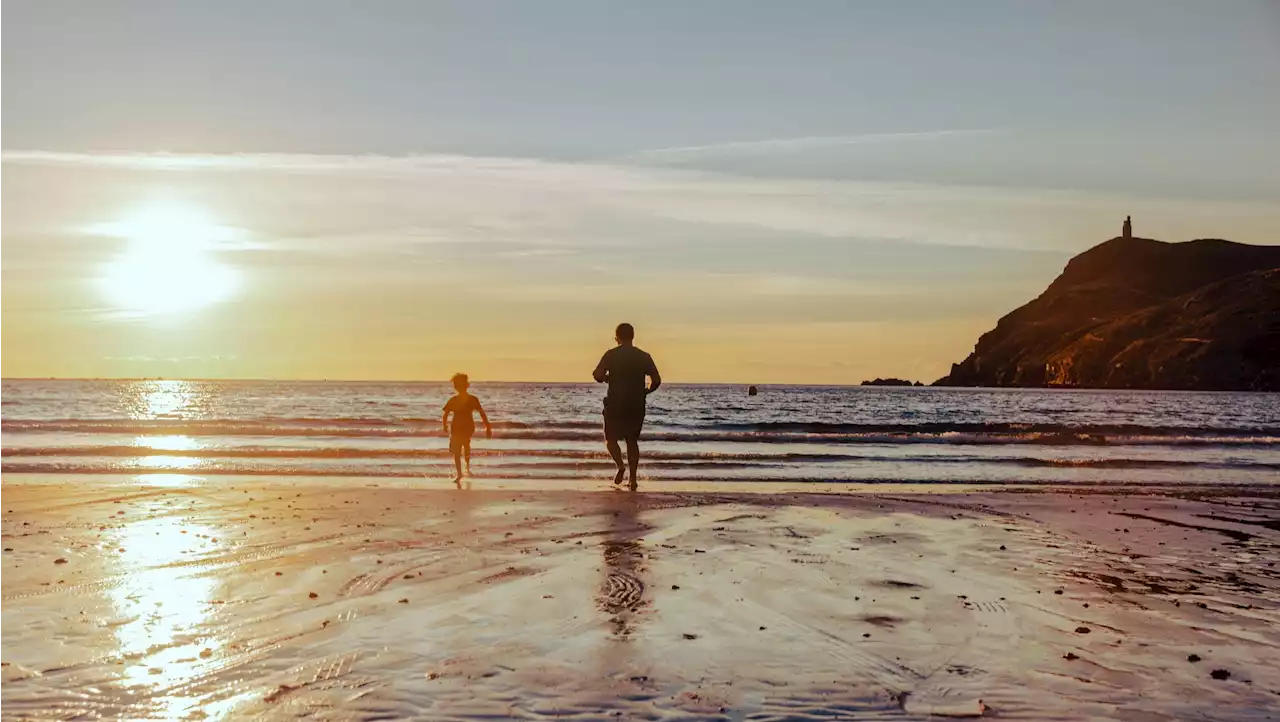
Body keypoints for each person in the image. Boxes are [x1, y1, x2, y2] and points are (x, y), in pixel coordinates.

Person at [593, 323, 661, 490]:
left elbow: (598, 374)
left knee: (610, 438)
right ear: (633, 336)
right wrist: (646, 391)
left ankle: (620, 466)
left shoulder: (611, 355)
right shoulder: (644, 356)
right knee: (632, 441)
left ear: (617, 338)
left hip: (615, 403)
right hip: (636, 403)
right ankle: (633, 479)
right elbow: (657, 380)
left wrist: (607, 378)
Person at [441, 373, 492, 484]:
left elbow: (482, 413)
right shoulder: (453, 400)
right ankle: (460, 473)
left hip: (467, 427)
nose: (456, 387)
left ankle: (466, 468)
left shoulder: (472, 399)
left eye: (458, 384)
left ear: (466, 385)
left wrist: (488, 426)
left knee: (464, 447)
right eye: (456, 384)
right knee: (457, 451)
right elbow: (445, 414)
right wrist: (444, 425)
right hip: (457, 428)